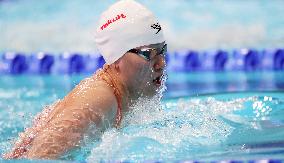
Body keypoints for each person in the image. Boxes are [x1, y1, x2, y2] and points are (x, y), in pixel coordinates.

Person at [3, 0, 166, 160]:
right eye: (148, 53)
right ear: (116, 58)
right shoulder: (98, 101)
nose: (161, 63)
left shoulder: (118, 98)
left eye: (162, 50)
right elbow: (37, 158)